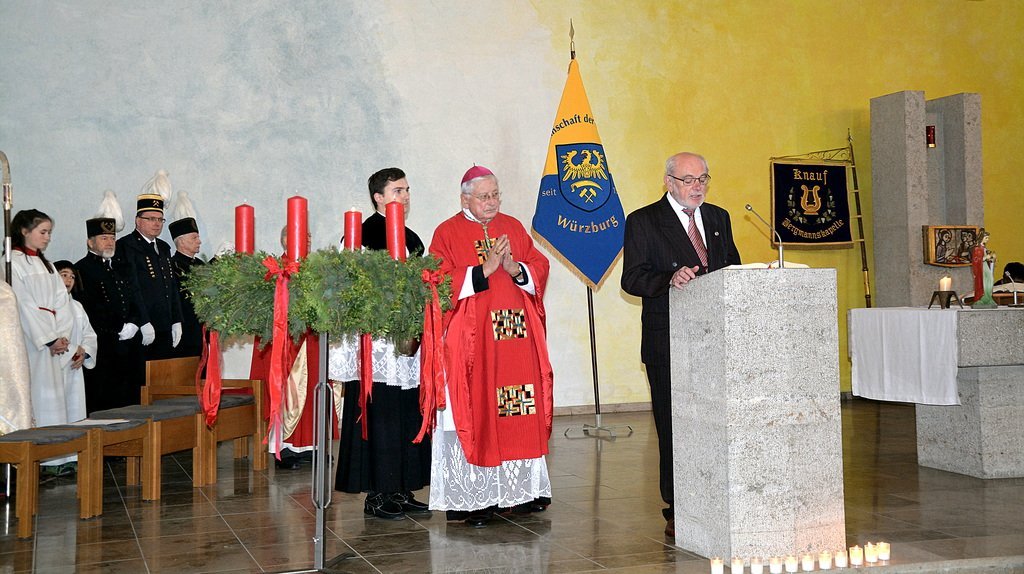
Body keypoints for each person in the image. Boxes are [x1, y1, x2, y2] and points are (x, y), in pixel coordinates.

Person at [425, 165, 553, 527]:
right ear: (464, 198)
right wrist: (483, 270)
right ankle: (473, 500)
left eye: (495, 194)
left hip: (514, 339)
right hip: (474, 343)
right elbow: (436, 282)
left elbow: (539, 267)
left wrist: (515, 268)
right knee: (477, 410)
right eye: (484, 196)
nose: (492, 202)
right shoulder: (446, 232)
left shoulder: (512, 226)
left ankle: (518, 494)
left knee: (517, 412)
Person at [620, 152, 741, 538]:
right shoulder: (643, 220)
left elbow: (732, 267)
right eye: (689, 180)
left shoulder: (719, 217)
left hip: (716, 339)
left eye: (703, 178)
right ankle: (677, 507)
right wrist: (671, 277)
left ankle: (717, 496)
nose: (698, 187)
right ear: (669, 182)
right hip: (668, 340)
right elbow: (632, 278)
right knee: (674, 427)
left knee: (716, 423)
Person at [332, 167, 431, 520]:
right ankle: (378, 494)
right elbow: (348, 286)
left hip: (406, 344)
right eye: (397, 191)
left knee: (406, 412)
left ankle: (403, 489)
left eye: (407, 190)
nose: (404, 197)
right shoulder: (359, 234)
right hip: (376, 346)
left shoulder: (414, 238)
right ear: (378, 197)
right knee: (379, 415)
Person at [8, 210, 78, 474]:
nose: (48, 238)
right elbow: (22, 304)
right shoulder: (12, 262)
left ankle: (56, 457)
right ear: (25, 231)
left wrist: (62, 336)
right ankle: (35, 458)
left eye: (49, 232)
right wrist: (47, 338)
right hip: (31, 342)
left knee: (54, 398)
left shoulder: (46, 265)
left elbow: (63, 302)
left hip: (53, 342)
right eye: (43, 232)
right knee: (37, 397)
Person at [75, 216, 148, 412]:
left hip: (129, 344)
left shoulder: (120, 266)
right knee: (105, 399)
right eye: (104, 238)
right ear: (90, 242)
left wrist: (133, 322)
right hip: (104, 345)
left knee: (130, 398)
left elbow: (134, 296)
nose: (110, 242)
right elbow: (90, 307)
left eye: (113, 238)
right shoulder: (82, 269)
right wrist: (118, 327)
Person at [116, 188, 183, 360]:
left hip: (165, 325)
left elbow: (171, 287)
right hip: (142, 328)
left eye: (160, 219)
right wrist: (143, 321)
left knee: (163, 382)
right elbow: (131, 288)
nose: (157, 223)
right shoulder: (126, 246)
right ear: (138, 221)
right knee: (142, 381)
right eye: (151, 219)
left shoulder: (163, 248)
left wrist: (176, 320)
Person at [53, 261, 95, 429]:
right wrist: (73, 350)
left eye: (72, 277)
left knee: (74, 412)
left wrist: (84, 352)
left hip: (74, 368)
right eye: (64, 275)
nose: (69, 280)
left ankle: (73, 455)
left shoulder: (77, 307)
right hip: (54, 368)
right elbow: (48, 336)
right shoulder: (48, 306)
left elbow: (89, 334)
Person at [169, 216, 205, 357]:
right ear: (182, 241)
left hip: (202, 330)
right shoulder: (173, 265)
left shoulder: (200, 264)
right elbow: (190, 291)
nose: (199, 241)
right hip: (186, 330)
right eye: (194, 238)